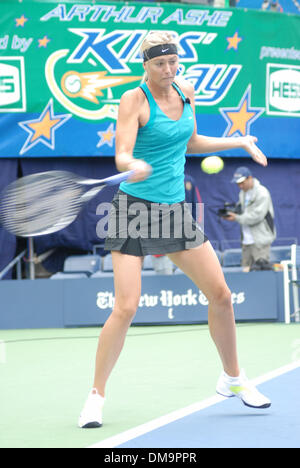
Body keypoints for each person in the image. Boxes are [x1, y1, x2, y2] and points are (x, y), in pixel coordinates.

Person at [78, 31, 271, 429]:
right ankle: (95, 396)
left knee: (220, 294)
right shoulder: (133, 98)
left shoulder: (185, 90)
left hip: (174, 212)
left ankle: (233, 378)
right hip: (132, 209)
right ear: (145, 65)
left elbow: (191, 140)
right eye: (160, 64)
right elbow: (122, 153)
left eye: (173, 62)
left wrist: (237, 140)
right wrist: (133, 163)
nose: (169, 70)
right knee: (126, 306)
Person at [225, 167, 276, 271]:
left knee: (261, 273)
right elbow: (244, 211)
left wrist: (237, 218)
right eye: (238, 183)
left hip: (260, 241)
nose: (240, 186)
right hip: (246, 241)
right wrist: (233, 212)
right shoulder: (242, 193)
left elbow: (257, 216)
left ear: (250, 178)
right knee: (246, 273)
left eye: (242, 182)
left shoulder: (262, 192)